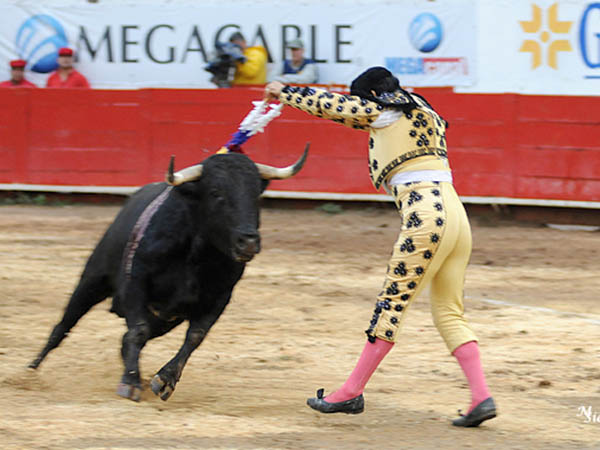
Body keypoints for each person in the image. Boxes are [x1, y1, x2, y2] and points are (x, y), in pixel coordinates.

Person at [264, 67, 497, 427]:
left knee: (391, 305)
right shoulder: (423, 108)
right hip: (456, 217)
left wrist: (284, 92)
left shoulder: (385, 110)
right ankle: (481, 396)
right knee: (449, 312)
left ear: (372, 96)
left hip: (425, 217)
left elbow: (331, 105)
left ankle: (351, 391)